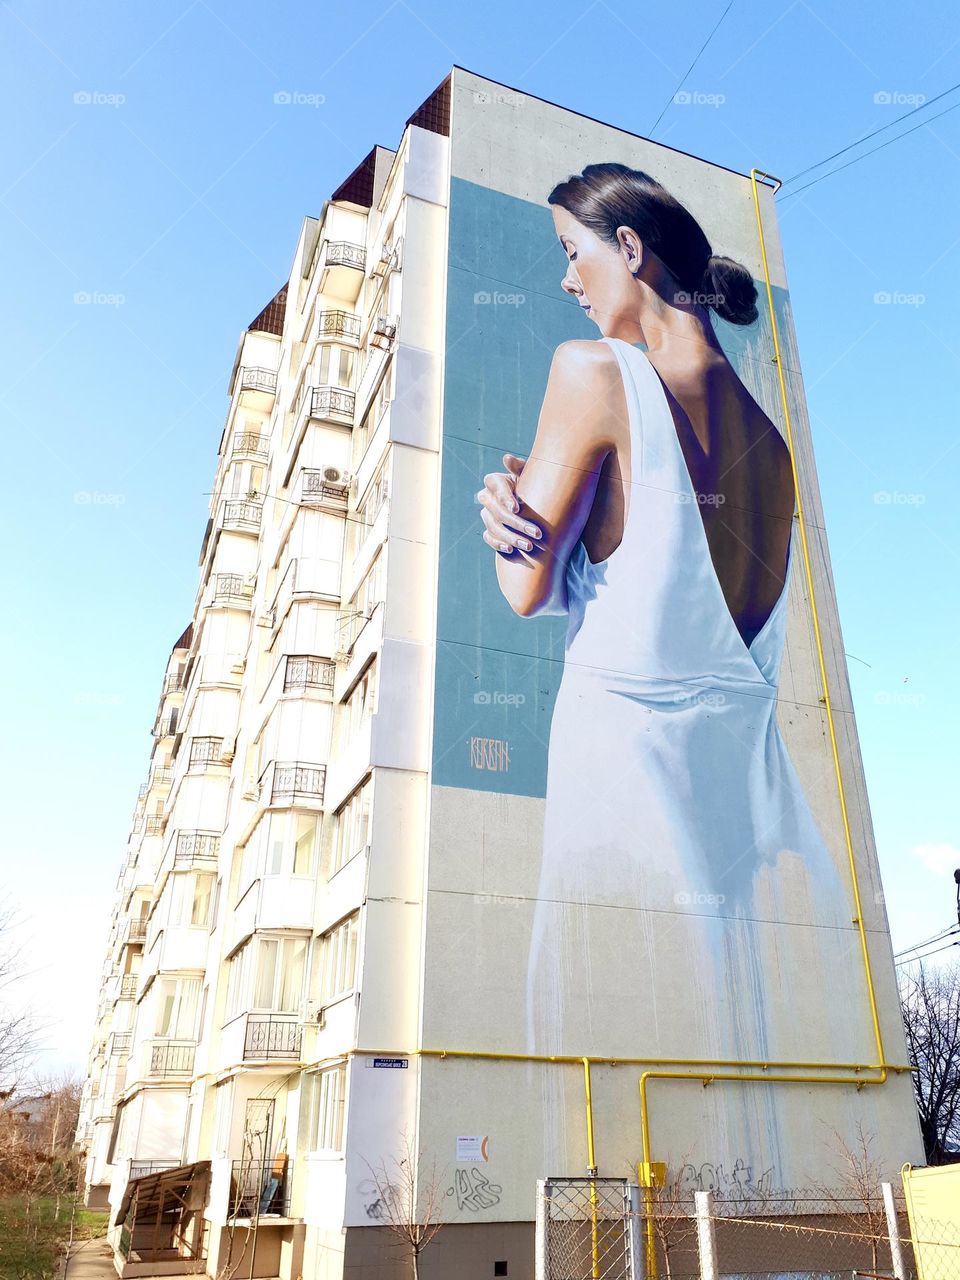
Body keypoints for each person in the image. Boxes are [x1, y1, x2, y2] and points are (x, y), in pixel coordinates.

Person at [475, 164, 858, 1178]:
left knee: (612, 1186)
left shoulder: (591, 375)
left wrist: (500, 511)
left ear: (631, 249)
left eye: (573, 251)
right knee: (752, 1170)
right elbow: (674, 595)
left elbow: (523, 587)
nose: (568, 281)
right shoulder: (772, 444)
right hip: (768, 862)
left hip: (628, 840)